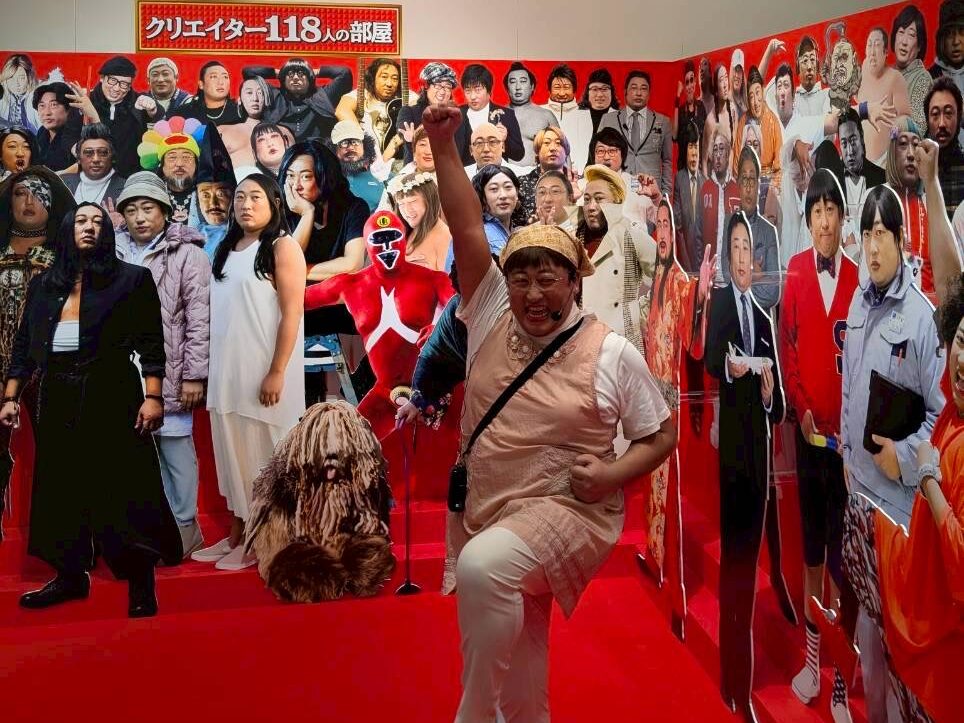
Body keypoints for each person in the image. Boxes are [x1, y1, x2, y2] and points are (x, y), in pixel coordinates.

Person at [423, 100, 676, 723]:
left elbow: (662, 432)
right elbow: (467, 230)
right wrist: (444, 145)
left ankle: (473, 714)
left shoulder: (609, 351)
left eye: (548, 279)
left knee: (484, 570)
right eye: (521, 279)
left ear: (574, 282)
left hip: (567, 508)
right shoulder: (489, 315)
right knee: (522, 647)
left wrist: (613, 474)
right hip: (491, 501)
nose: (533, 293)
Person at [2, 201, 182, 617]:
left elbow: (151, 343)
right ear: (67, 229)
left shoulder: (132, 279)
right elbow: (24, 347)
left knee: (124, 484)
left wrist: (153, 397)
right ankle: (70, 576)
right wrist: (11, 397)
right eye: (81, 220)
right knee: (61, 487)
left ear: (107, 233)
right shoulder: (45, 284)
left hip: (112, 388)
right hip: (57, 392)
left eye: (97, 221)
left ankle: (141, 581)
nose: (89, 227)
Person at [840, 184, 945, 723]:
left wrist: (901, 458)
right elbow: (849, 388)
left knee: (901, 643)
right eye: (867, 235)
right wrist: (845, 454)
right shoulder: (858, 302)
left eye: (883, 233)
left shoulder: (924, 318)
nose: (874, 246)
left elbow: (941, 418)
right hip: (859, 496)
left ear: (901, 241)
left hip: (901, 511)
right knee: (868, 632)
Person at [192, 174, 305, 570]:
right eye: (239, 197)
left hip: (264, 372)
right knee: (233, 460)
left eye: (256, 197)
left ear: (274, 203)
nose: (245, 204)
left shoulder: (282, 246)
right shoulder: (226, 248)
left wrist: (277, 371)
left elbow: (292, 313)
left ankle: (264, 539)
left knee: (264, 460)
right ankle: (238, 533)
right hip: (228, 373)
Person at [778, 170, 858, 722]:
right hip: (809, 442)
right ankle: (811, 662)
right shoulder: (795, 271)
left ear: (842, 217)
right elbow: (788, 348)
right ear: (807, 220)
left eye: (832, 211)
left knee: (843, 565)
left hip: (849, 450)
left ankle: (841, 681)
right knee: (811, 555)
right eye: (817, 212)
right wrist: (801, 405)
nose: (825, 222)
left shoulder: (858, 278)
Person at [872, 269, 964, 723]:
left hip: (942, 641)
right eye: (962, 341)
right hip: (918, 591)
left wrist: (927, 476)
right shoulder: (953, 407)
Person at [705, 211, 785, 723]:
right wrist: (734, 371)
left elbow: (779, 408)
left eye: (746, 248)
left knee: (748, 567)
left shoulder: (764, 316)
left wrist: (769, 392)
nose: (741, 257)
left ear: (756, 259)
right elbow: (711, 360)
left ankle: (741, 680)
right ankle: (731, 679)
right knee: (733, 566)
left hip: (760, 457)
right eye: (734, 246)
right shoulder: (719, 303)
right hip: (731, 455)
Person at [115, 172, 210, 558]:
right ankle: (149, 531)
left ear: (165, 211)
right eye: (131, 210)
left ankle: (185, 526)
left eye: (148, 208)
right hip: (125, 370)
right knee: (137, 455)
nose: (139, 217)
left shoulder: (188, 253)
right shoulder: (113, 249)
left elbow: (199, 319)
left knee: (175, 450)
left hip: (172, 368)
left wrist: (194, 376)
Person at [644, 199, 716, 640]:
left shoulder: (677, 280)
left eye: (669, 225)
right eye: (659, 225)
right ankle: (655, 562)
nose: (664, 233)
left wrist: (702, 291)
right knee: (654, 488)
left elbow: (692, 340)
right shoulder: (655, 276)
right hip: (651, 401)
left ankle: (676, 590)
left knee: (670, 492)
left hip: (670, 401)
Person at [0, 167, 74, 540]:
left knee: (61, 452)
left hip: (50, 368)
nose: (29, 202)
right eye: (20, 193)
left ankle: (66, 539)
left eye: (39, 194)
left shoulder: (67, 255)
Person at [277, 141, 367, 406]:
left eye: (305, 176)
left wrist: (302, 270)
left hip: (340, 309)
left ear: (324, 176)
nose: (296, 186)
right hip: (296, 310)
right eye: (290, 176)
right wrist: (306, 215)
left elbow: (352, 264)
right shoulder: (280, 209)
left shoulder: (353, 206)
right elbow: (284, 265)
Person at [598, 71, 673, 193]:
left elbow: (667, 161)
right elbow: (598, 156)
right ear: (625, 92)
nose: (638, 93)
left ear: (649, 94)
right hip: (617, 189)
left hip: (650, 191)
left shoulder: (663, 122)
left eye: (643, 88)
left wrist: (665, 195)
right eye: (634, 88)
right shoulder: (608, 120)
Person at [247, 58, 352, 144]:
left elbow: (344, 73)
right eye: (290, 74)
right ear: (283, 79)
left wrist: (312, 71)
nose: (296, 78)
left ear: (309, 78)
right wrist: (281, 72)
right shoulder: (273, 95)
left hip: (318, 150)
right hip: (282, 150)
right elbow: (248, 72)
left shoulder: (324, 94)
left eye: (301, 74)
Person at [88, 56, 163, 176]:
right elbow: (69, 136)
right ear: (102, 78)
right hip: (92, 174)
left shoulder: (138, 101)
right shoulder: (87, 100)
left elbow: (158, 113)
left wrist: (152, 108)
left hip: (130, 176)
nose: (116, 88)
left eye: (124, 84)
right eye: (112, 80)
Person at [858, 27, 914, 165]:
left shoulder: (895, 78)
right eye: (869, 45)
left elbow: (906, 117)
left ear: (885, 52)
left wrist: (894, 134)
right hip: (861, 160)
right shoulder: (861, 71)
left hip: (885, 159)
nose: (872, 51)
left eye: (877, 45)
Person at [453, 64, 525, 166]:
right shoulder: (455, 115)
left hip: (497, 173)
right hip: (465, 174)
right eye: (468, 91)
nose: (472, 96)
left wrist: (505, 139)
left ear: (489, 90)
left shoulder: (506, 114)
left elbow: (519, 154)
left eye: (478, 90)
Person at [388, 171, 451, 271]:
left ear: (430, 200)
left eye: (413, 201)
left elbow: (452, 280)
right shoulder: (404, 233)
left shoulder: (444, 238)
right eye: (401, 204)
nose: (407, 210)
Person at [398, 62, 458, 164]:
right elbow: (403, 130)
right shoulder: (409, 112)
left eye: (448, 87)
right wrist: (409, 137)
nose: (442, 92)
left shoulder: (457, 117)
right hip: (416, 171)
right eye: (437, 85)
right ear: (425, 86)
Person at [541, 64, 593, 174]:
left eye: (566, 87)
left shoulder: (585, 114)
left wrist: (579, 173)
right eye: (557, 87)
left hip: (577, 174)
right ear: (549, 89)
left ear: (574, 89)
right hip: (544, 172)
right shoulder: (540, 111)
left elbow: (586, 148)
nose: (562, 93)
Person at [924, 76, 964, 219]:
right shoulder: (916, 170)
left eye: (948, 113)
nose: (941, 123)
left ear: (959, 117)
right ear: (927, 119)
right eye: (935, 114)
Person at [503, 62, 556, 167]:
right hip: (505, 174)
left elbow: (562, 149)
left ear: (532, 86)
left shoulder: (546, 115)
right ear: (507, 88)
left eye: (523, 81)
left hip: (537, 173)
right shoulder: (498, 114)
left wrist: (567, 176)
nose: (518, 87)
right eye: (512, 82)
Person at [892, 4, 934, 136]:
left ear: (919, 45)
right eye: (901, 32)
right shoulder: (887, 74)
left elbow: (917, 128)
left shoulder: (922, 79)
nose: (904, 41)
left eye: (911, 35)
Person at [60, 123, 126, 207]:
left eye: (103, 153)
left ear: (112, 157)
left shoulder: (126, 187)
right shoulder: (62, 183)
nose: (96, 159)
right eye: (88, 153)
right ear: (79, 158)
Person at [327, 120, 384, 213]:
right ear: (334, 149)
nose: (350, 147)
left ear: (365, 146)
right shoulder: (324, 178)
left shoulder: (383, 178)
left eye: (355, 142)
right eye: (344, 143)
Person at [31, 81, 82, 172]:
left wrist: (57, 176)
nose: (47, 112)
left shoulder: (78, 133)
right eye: (42, 106)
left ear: (69, 108)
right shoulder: (42, 132)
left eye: (54, 105)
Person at [173, 61, 241, 127]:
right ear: (201, 84)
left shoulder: (240, 112)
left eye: (225, 77)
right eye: (214, 77)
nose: (221, 82)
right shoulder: (184, 112)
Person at [673, 60, 708, 173]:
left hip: (699, 167)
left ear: (695, 82)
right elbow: (674, 136)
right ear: (684, 86)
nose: (689, 86)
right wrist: (677, 99)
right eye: (687, 82)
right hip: (683, 167)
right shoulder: (681, 110)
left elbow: (706, 137)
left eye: (691, 80)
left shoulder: (701, 107)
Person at [579, 68, 620, 150]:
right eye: (594, 89)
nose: (600, 94)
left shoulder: (621, 118)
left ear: (611, 92)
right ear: (588, 92)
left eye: (604, 89)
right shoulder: (577, 117)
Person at [0, 54, 41, 132]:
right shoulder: (2, 95)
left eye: (21, 78)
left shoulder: (38, 96)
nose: (16, 83)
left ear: (29, 78)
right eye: (11, 78)